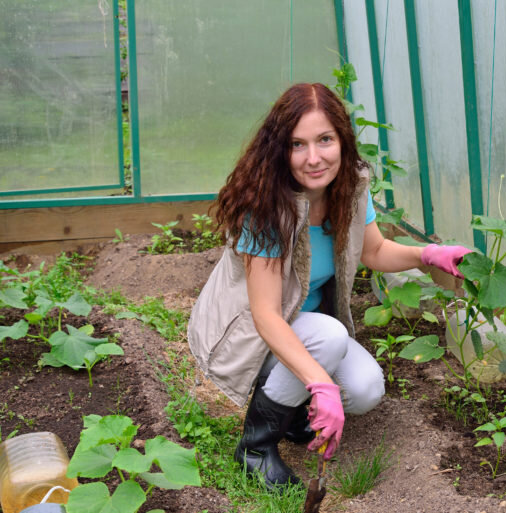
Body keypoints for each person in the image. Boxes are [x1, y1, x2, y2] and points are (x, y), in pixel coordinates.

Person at [187, 82, 471, 488]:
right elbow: (266, 314)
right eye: (298, 144)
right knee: (330, 336)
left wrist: (426, 256)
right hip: (251, 330)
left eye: (324, 140)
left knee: (365, 388)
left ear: (342, 139)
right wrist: (320, 384)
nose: (314, 158)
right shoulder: (267, 205)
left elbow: (373, 251)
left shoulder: (350, 187)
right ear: (280, 150)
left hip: (310, 328)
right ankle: (255, 447)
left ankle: (291, 414)